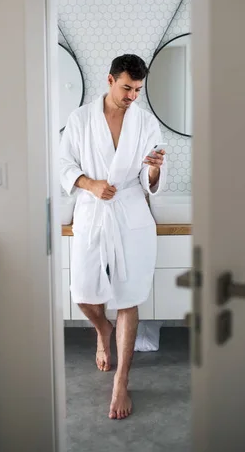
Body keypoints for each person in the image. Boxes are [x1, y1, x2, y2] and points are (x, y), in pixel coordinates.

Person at [59, 54, 167, 420]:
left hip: (131, 214)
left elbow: (150, 183)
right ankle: (103, 330)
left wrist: (153, 173)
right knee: (83, 294)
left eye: (137, 90)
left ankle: (121, 381)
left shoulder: (146, 123)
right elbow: (64, 165)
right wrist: (90, 184)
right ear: (109, 80)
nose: (132, 96)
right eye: (126, 88)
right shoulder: (79, 120)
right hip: (92, 213)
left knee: (128, 297)